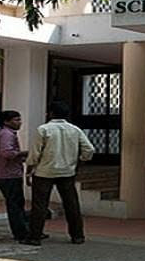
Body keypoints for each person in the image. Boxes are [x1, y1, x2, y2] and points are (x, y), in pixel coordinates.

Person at [21, 101, 94, 246]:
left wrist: (29, 171)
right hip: (67, 172)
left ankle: (35, 236)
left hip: (44, 172)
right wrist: (79, 162)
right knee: (71, 204)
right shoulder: (75, 130)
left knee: (40, 205)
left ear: (50, 113)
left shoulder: (43, 129)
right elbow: (89, 150)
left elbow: (35, 154)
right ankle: (77, 235)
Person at [0, 110, 30, 241]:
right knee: (15, 204)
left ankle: (23, 231)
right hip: (8, 174)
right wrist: (23, 153)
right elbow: (7, 153)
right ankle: (21, 233)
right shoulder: (6, 135)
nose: (20, 123)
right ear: (6, 122)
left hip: (7, 173)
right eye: (16, 120)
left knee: (17, 203)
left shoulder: (5, 133)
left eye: (19, 119)